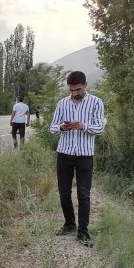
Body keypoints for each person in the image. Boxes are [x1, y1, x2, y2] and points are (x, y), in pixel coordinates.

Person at [50, 70, 106, 246]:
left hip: (84, 155)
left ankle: (83, 232)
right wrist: (63, 127)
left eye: (78, 89)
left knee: (83, 194)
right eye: (71, 90)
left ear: (85, 85)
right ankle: (69, 224)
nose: (74, 93)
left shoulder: (96, 102)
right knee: (64, 192)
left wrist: (83, 126)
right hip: (64, 153)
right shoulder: (62, 103)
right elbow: (52, 128)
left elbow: (99, 128)